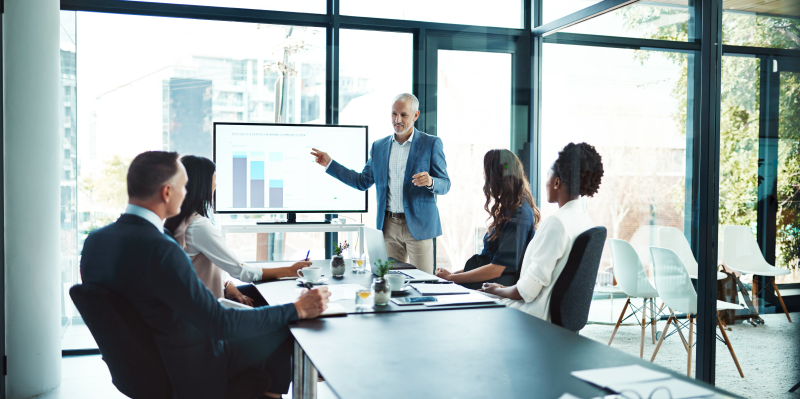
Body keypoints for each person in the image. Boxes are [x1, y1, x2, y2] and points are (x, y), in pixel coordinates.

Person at [80, 151, 330, 399]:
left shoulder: (95, 241)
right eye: (183, 186)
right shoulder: (161, 248)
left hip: (140, 369)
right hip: (191, 366)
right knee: (288, 326)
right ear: (167, 192)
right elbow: (219, 324)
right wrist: (297, 308)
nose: (186, 193)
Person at [310, 93, 450, 274]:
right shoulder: (379, 146)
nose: (397, 120)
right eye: (394, 114)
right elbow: (362, 182)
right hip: (388, 227)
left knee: (423, 283)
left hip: (419, 226)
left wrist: (431, 181)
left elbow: (445, 184)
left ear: (416, 115)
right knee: (389, 281)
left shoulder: (431, 144)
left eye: (404, 115)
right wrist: (330, 163)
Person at [164, 155, 309, 306]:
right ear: (203, 183)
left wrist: (227, 285)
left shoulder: (179, 221)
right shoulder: (199, 226)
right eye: (214, 179)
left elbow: (201, 269)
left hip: (196, 303)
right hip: (209, 310)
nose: (216, 185)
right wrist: (290, 271)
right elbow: (242, 272)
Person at [482, 143, 604, 321]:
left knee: (470, 305)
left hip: (532, 316)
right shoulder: (586, 222)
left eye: (548, 175)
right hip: (551, 317)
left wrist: (497, 290)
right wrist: (502, 289)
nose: (545, 181)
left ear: (556, 182)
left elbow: (527, 292)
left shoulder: (557, 223)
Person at [434, 149, 540, 289]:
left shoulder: (519, 215)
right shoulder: (510, 209)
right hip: (488, 283)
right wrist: (451, 275)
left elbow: (497, 269)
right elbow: (488, 261)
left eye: (486, 172)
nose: (484, 176)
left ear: (497, 177)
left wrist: (452, 278)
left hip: (494, 287)